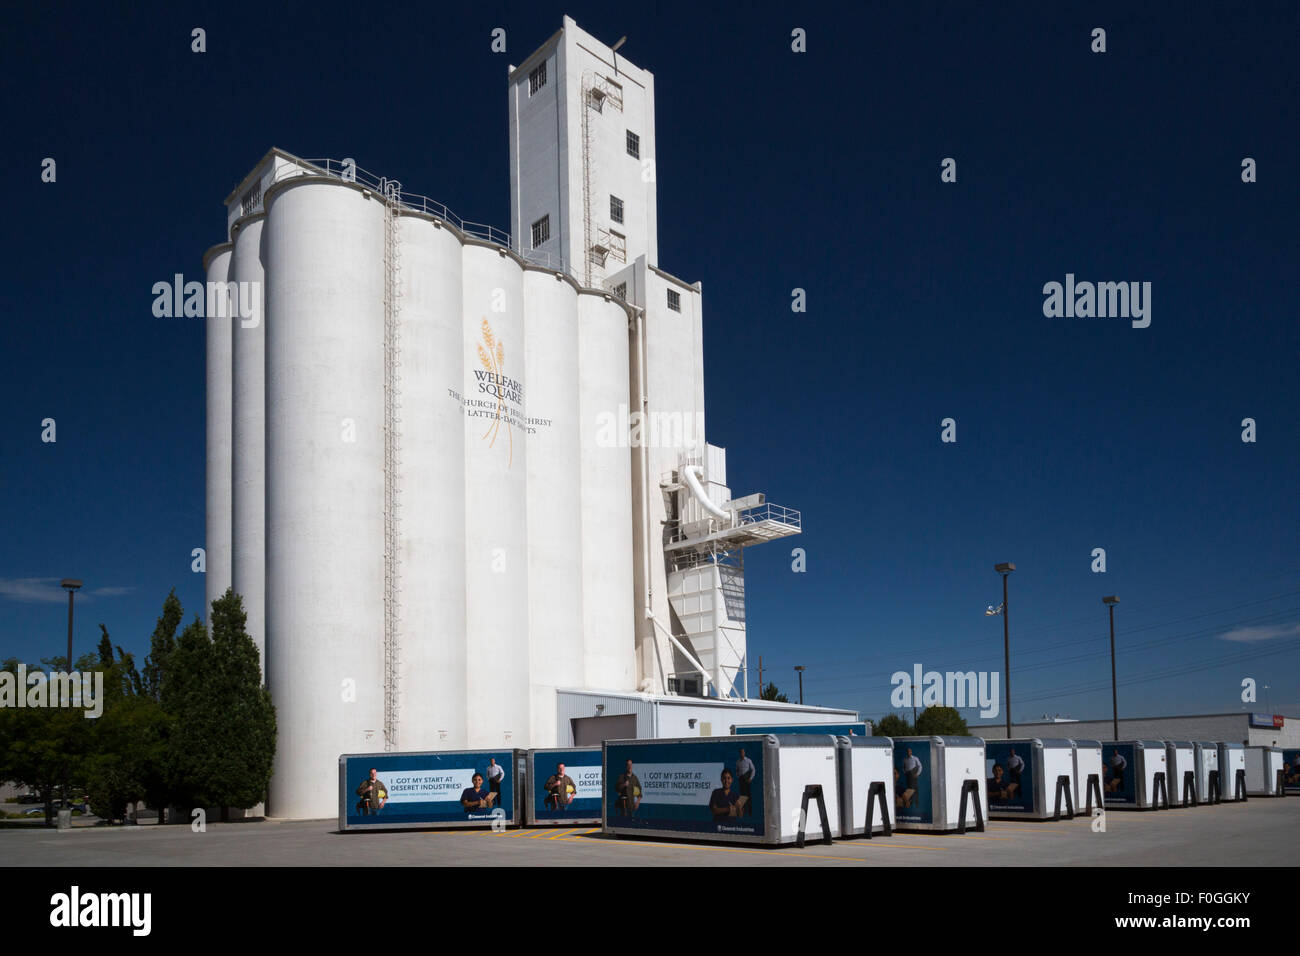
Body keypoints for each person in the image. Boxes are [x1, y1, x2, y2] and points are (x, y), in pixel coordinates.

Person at [734, 748, 757, 817]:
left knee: (748, 796)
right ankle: (743, 812)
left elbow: (753, 769)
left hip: (747, 780)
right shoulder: (738, 762)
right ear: (739, 753)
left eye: (743, 752)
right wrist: (738, 776)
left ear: (744, 753)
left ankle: (750, 813)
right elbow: (737, 770)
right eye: (741, 752)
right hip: (741, 780)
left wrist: (750, 778)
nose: (742, 754)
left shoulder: (748, 760)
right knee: (742, 797)